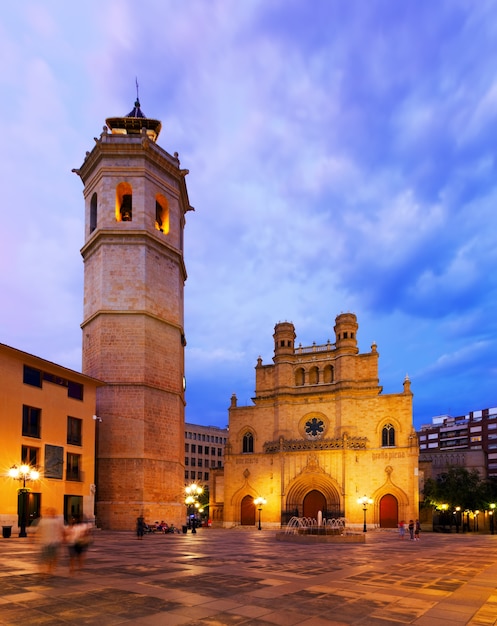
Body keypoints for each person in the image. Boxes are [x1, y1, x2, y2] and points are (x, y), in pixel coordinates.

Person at [36, 507, 65, 575]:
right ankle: (44, 570)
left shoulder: (57, 521)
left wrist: (63, 538)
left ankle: (49, 570)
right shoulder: (43, 521)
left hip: (54, 542)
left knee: (52, 557)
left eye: (52, 512)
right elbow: (39, 530)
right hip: (45, 542)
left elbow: (62, 530)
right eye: (50, 512)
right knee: (44, 558)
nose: (51, 513)